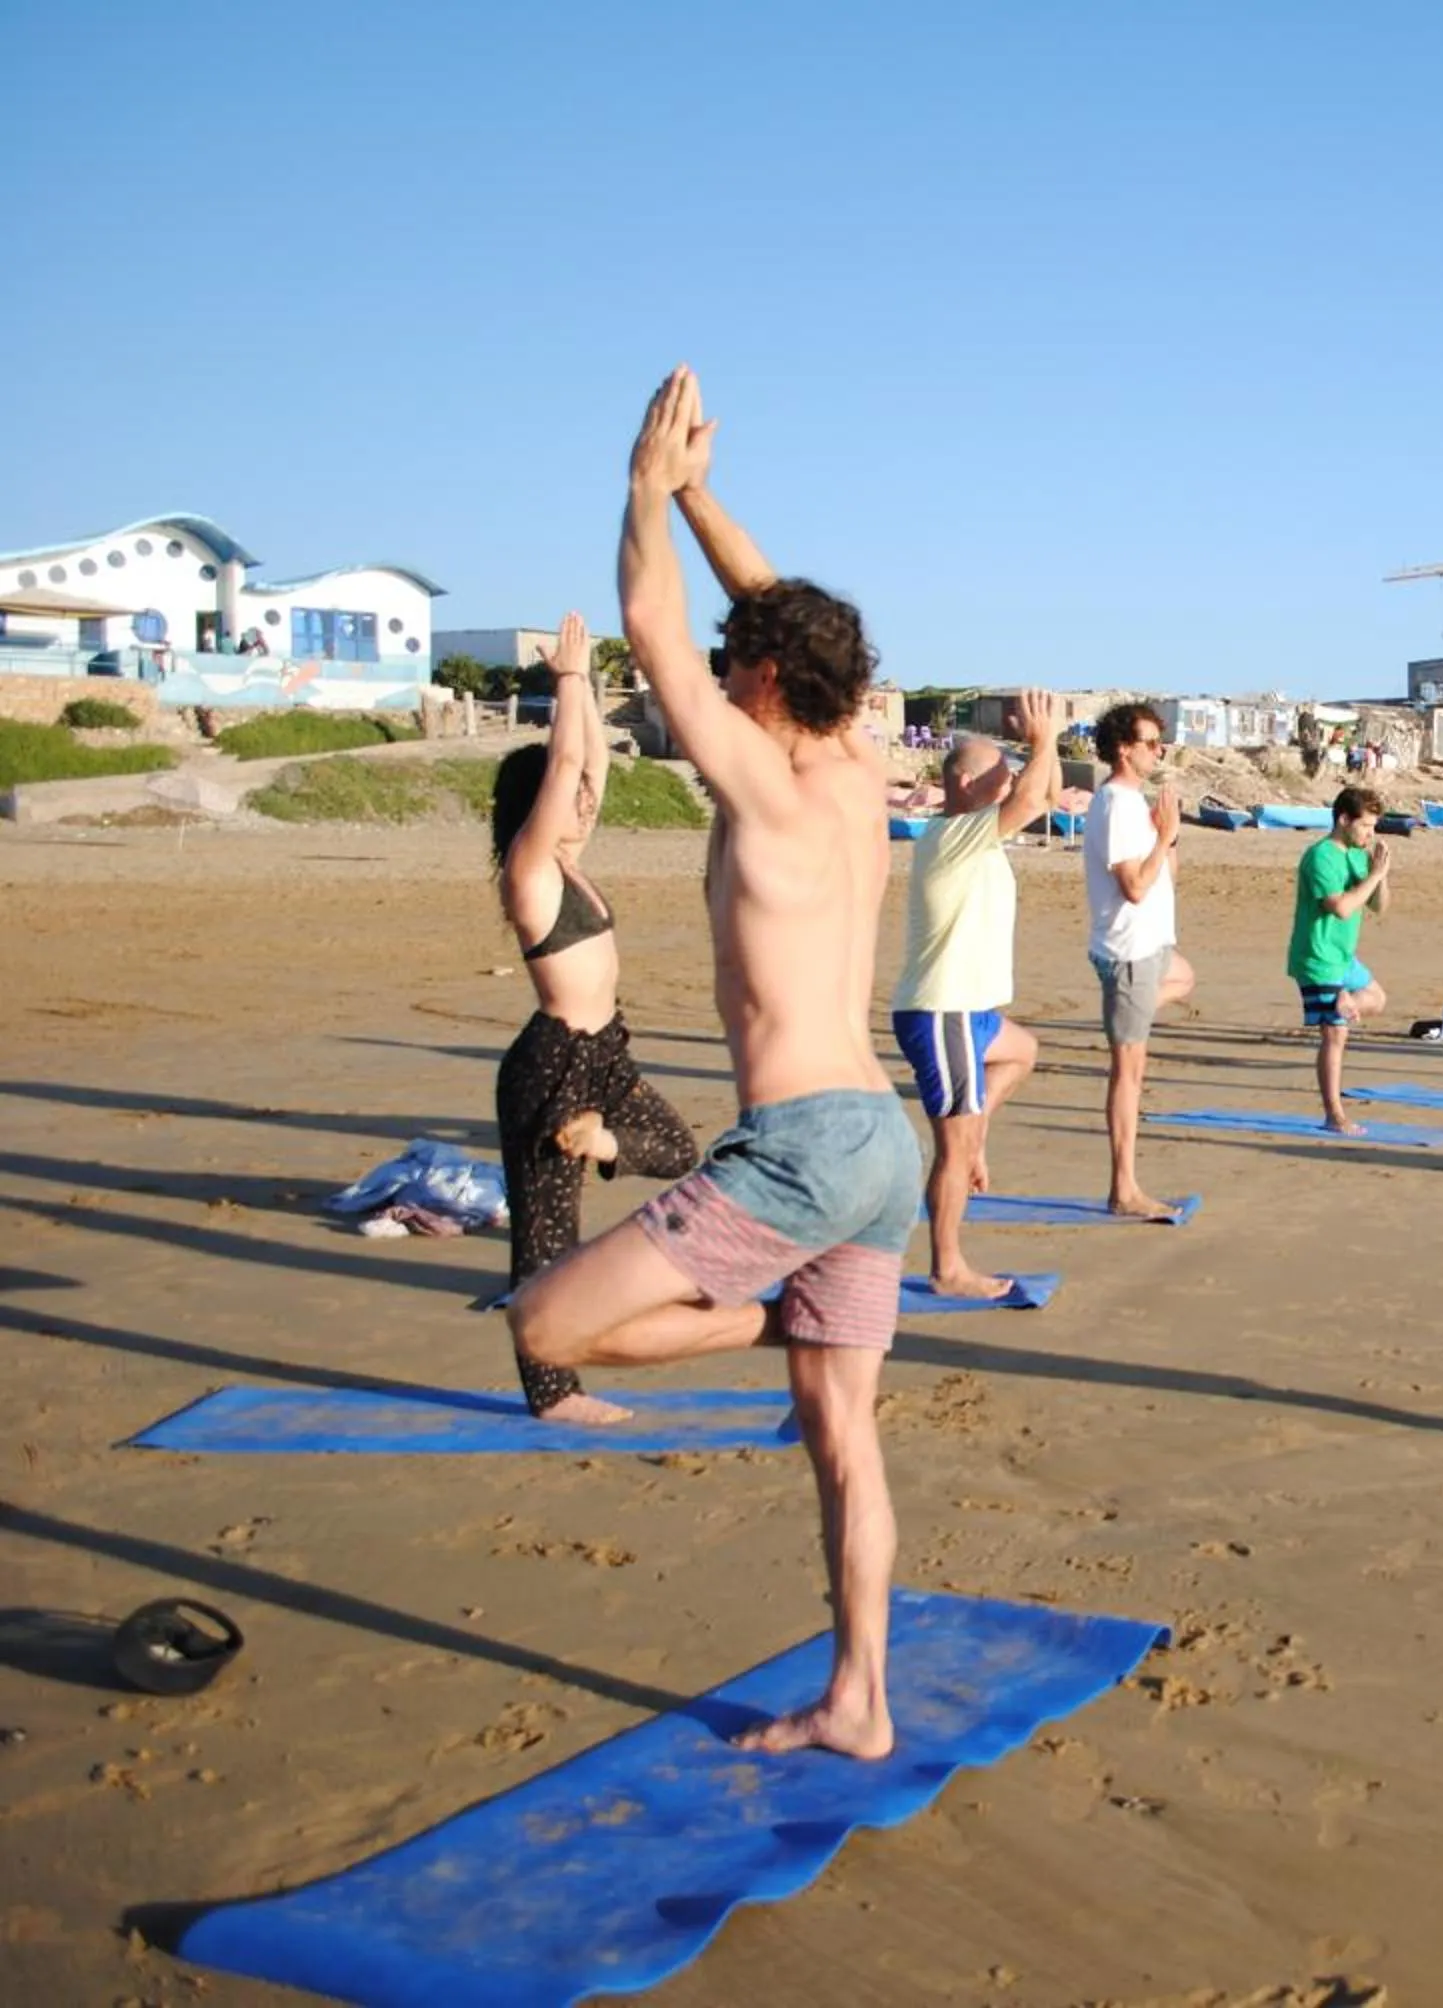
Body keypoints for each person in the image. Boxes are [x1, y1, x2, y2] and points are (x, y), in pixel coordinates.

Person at [511, 367, 922, 1760]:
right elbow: (782, 625)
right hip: (881, 1142)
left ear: (760, 685)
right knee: (841, 1436)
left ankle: (772, 1321)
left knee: (548, 1329)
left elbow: (652, 625)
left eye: (743, 660)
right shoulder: (858, 762)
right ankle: (858, 1703)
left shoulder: (763, 777)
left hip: (804, 1145)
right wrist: (697, 497)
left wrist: (640, 485)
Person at [490, 611, 700, 1424]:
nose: (583, 805)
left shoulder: (572, 867)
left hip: (604, 1055)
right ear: (535, 807)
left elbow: (592, 769)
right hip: (552, 1062)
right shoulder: (530, 871)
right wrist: (570, 681)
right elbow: (570, 763)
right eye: (566, 799)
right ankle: (553, 1395)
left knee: (678, 1147)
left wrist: (584, 688)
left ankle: (600, 1141)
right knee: (546, 1241)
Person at [890, 697, 1060, 1297]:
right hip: (944, 1011)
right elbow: (1028, 799)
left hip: (973, 1013)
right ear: (964, 782)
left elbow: (1039, 795)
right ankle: (946, 1269)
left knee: (1022, 1052)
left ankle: (976, 1129)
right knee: (953, 1150)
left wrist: (1051, 740)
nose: (1008, 777)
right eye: (996, 770)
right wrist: (1042, 743)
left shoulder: (977, 839)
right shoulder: (951, 835)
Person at [1084, 701, 1197, 1216]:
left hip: (1150, 949)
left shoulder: (1135, 804)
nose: (1160, 750)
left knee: (1185, 977)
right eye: (1151, 742)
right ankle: (1123, 1188)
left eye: (1161, 741)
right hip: (1127, 950)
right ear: (1124, 748)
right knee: (1128, 1072)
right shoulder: (1113, 802)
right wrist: (1161, 838)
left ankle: (1125, 1016)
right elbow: (1133, 886)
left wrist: (1167, 835)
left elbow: (1165, 876)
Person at [1288, 786, 1392, 1132]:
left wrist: (1381, 874)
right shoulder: (1321, 857)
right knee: (1335, 1035)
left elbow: (1379, 907)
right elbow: (1343, 908)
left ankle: (1342, 1002)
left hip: (1343, 957)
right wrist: (1373, 877)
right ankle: (1335, 1116)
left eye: (1373, 827)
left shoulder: (1359, 855)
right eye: (1364, 826)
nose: (1369, 834)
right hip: (1317, 956)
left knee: (1376, 998)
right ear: (1344, 820)